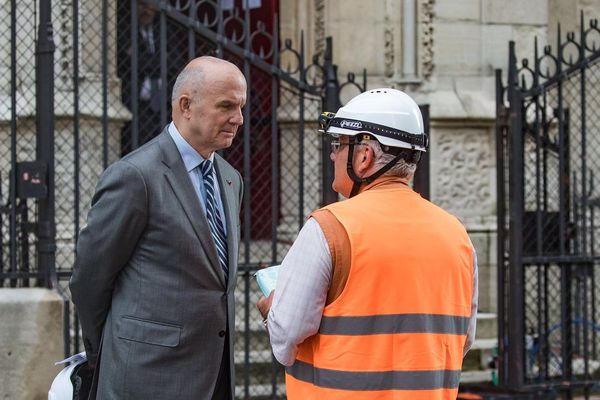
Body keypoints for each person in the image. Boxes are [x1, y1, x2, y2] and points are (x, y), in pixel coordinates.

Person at [257, 88, 478, 400]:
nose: (333, 154)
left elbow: (285, 338)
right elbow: (461, 341)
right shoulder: (457, 235)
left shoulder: (329, 227)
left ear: (364, 156)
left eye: (339, 144)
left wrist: (272, 308)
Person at [70, 56, 246, 400]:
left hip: (213, 375)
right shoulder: (135, 176)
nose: (238, 119)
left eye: (241, 107)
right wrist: (104, 352)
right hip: (145, 376)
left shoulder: (230, 178)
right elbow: (90, 278)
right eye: (226, 106)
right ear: (186, 106)